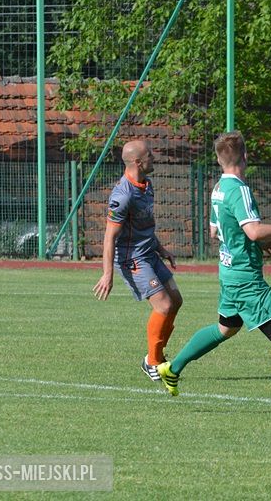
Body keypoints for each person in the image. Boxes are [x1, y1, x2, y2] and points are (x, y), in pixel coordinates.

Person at [157, 130, 271, 421]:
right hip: (246, 280)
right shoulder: (239, 189)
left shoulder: (218, 188)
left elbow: (220, 232)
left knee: (225, 329)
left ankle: (172, 368)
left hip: (229, 271)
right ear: (245, 157)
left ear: (219, 160)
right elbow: (252, 229)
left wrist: (261, 244)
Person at [93, 140, 183, 381]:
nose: (154, 158)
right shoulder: (122, 196)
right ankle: (153, 362)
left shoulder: (146, 185)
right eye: (149, 155)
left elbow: (143, 226)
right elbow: (110, 236)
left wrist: (161, 248)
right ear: (138, 162)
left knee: (176, 300)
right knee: (163, 305)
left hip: (149, 253)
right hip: (133, 259)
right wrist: (107, 274)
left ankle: (156, 355)